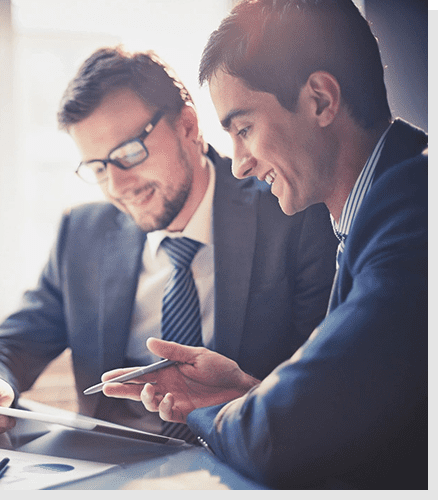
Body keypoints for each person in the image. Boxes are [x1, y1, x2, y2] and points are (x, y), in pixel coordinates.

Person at [101, 0, 427, 489]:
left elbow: (281, 436)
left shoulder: (410, 212)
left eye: (244, 129)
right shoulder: (379, 207)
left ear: (320, 99)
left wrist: (221, 410)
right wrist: (248, 391)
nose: (239, 165)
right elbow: (358, 412)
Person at [0, 46, 337, 443]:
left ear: (187, 126)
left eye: (129, 153)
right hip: (110, 470)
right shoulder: (82, 234)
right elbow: (10, 346)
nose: (117, 186)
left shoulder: (291, 212)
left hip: (239, 461)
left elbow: (321, 390)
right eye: (98, 167)